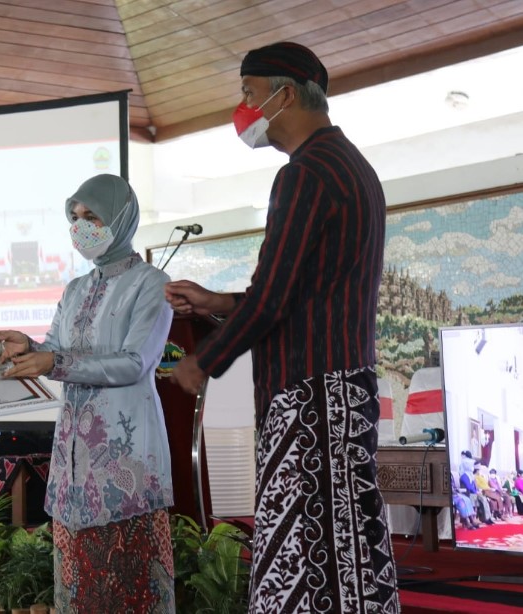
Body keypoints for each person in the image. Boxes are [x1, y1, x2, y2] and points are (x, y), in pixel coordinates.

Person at [164, 42, 399, 612]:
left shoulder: (304, 174)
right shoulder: (351, 166)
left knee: (306, 562)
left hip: (310, 399)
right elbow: (296, 290)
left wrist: (203, 361)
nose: (242, 109)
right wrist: (216, 301)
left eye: (248, 93)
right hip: (342, 393)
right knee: (346, 558)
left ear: (285, 94)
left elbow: (272, 298)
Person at [0, 174, 175, 613]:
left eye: (92, 216)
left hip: (125, 460)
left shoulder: (152, 283)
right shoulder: (75, 289)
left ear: (121, 217)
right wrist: (28, 347)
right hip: (74, 465)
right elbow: (55, 351)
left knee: (130, 590)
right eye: (75, 218)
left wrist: (53, 361)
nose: (81, 227)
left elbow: (135, 363)